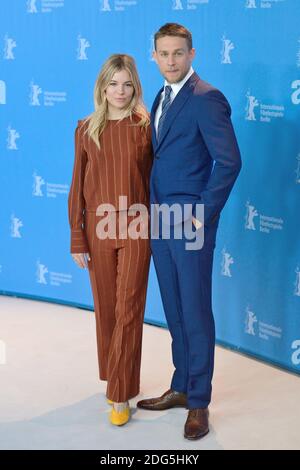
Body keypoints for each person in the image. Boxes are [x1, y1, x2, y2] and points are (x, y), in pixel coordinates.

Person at [137, 23, 242, 440]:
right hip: (160, 220)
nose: (170, 61)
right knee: (175, 309)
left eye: (178, 53)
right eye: (163, 54)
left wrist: (201, 213)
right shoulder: (160, 97)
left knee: (196, 310)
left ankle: (199, 401)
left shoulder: (206, 98)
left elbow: (229, 162)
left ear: (192, 54)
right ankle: (181, 386)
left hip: (190, 223)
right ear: (154, 56)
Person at [68, 54, 153, 426]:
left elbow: (155, 179)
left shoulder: (146, 126)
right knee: (106, 310)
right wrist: (76, 237)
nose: (120, 91)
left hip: (136, 227)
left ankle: (119, 395)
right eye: (113, 84)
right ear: (102, 87)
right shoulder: (86, 128)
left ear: (135, 87)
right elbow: (76, 187)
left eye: (127, 84)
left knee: (129, 308)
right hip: (97, 230)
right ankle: (119, 379)